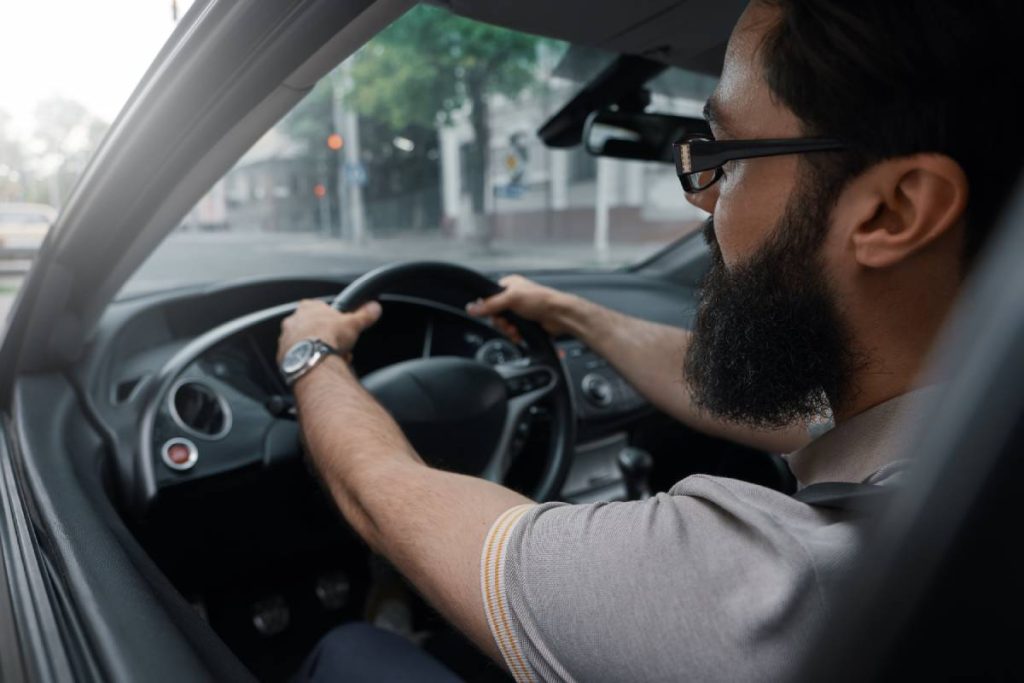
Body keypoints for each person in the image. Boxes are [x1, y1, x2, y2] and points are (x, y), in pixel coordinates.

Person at [278, 0, 1023, 680]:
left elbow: (387, 500)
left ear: (892, 211)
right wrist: (575, 316)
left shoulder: (788, 582)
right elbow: (792, 418)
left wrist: (314, 356)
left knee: (353, 652)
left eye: (725, 159)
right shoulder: (955, 446)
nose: (703, 204)